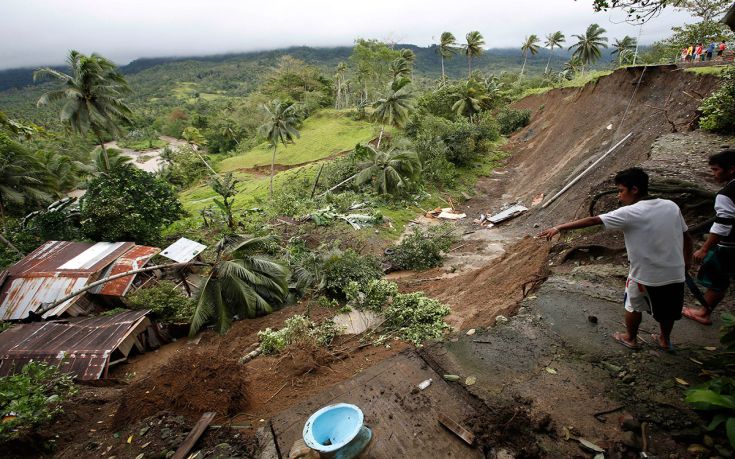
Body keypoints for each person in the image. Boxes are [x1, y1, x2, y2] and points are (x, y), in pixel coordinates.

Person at [538, 168, 693, 350]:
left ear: (634, 189)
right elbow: (687, 236)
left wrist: (559, 227)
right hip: (675, 272)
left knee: (633, 305)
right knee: (667, 311)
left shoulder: (630, 212)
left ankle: (630, 338)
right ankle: (665, 341)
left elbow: (593, 220)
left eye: (621, 190)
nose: (619, 196)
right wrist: (687, 262)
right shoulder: (671, 206)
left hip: (645, 275)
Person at [683, 150, 735, 325]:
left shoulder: (726, 195)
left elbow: (723, 224)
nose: (713, 174)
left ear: (731, 169)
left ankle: (704, 313)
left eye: (716, 170)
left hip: (730, 246)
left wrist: (704, 248)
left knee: (717, 278)